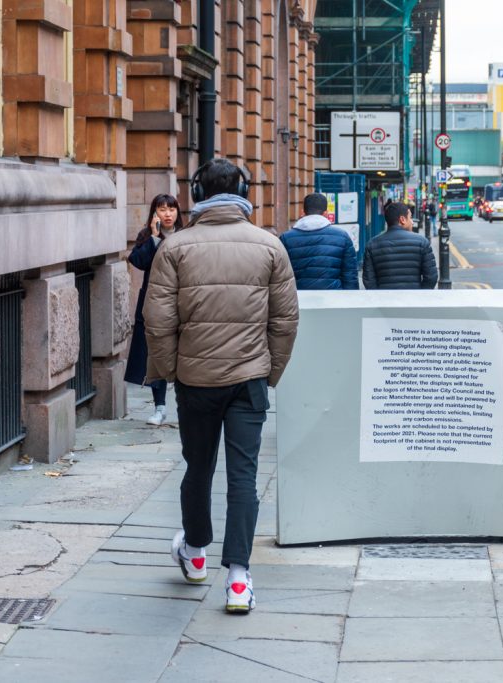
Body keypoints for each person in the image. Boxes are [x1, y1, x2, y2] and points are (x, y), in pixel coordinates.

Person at [144, 158, 299, 614]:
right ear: (243, 190)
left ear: (197, 193)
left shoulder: (175, 248)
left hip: (196, 380)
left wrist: (172, 370)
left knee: (198, 468)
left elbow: (157, 321)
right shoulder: (269, 246)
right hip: (249, 379)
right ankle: (237, 579)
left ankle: (194, 553)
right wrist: (270, 371)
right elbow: (286, 321)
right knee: (243, 476)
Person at [125, 194, 183, 426]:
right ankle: (160, 408)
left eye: (171, 209)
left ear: (178, 212)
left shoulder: (187, 235)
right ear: (154, 213)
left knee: (184, 354)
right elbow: (137, 261)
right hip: (155, 304)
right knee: (156, 354)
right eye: (162, 209)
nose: (167, 214)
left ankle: (184, 406)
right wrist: (155, 237)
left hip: (182, 302)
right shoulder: (148, 237)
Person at [280, 193, 358, 290]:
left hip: (299, 299)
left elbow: (281, 276)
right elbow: (350, 276)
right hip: (334, 299)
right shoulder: (342, 237)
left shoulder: (286, 238)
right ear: (326, 213)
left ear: (302, 212)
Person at [362, 202, 438, 289]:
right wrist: (419, 295)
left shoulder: (372, 244)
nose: (412, 222)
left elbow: (369, 280)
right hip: (414, 299)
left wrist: (378, 298)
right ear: (402, 219)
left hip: (384, 300)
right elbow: (431, 277)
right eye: (410, 217)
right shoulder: (422, 242)